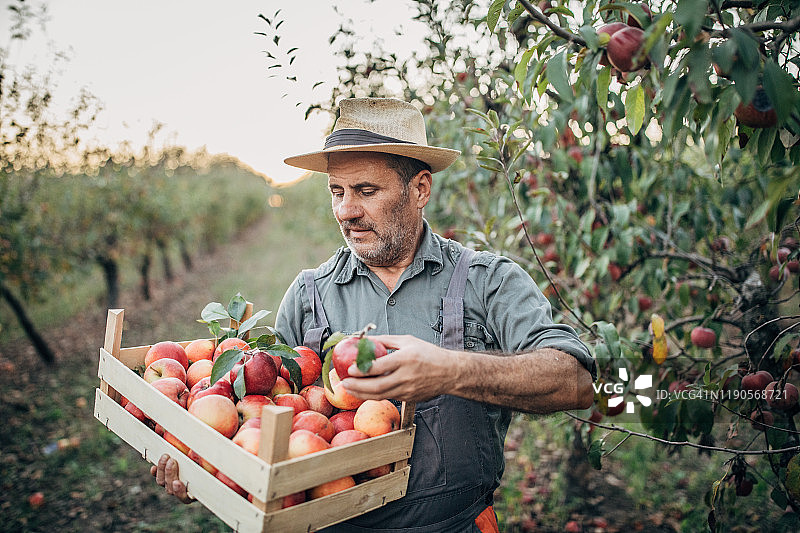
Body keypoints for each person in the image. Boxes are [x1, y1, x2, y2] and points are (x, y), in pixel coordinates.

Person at [153, 97, 597, 532]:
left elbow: (576, 382)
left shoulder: (488, 281)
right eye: (337, 192)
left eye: (366, 191)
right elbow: (260, 423)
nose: (346, 211)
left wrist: (451, 369)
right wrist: (208, 466)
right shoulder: (310, 294)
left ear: (420, 189)